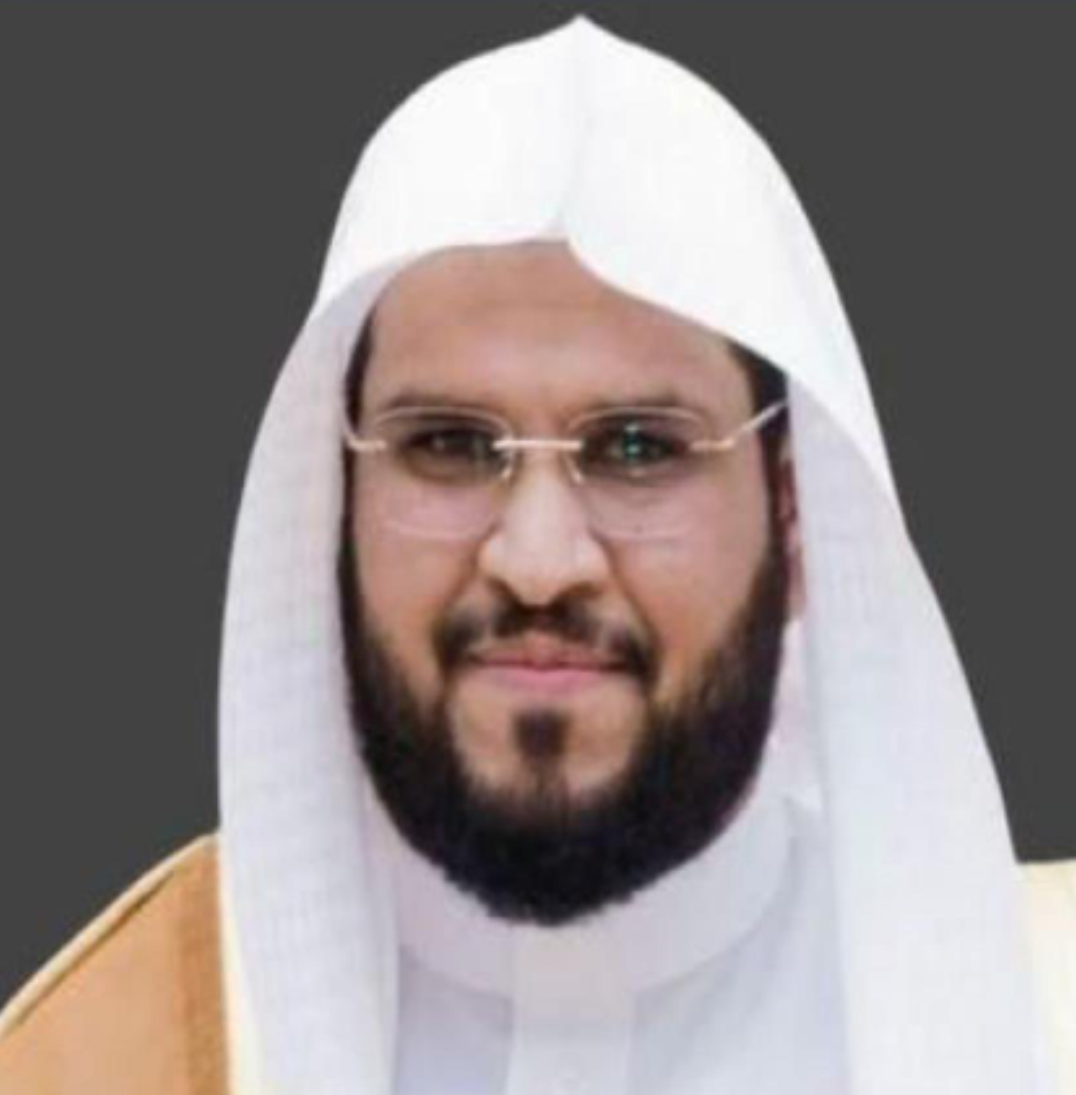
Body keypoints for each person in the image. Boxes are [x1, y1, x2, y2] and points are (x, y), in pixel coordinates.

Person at [1, 17, 1072, 1095]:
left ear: (795, 520)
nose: (539, 562)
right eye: (448, 445)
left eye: (639, 447)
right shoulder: (102, 1053)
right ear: (331, 504)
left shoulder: (1048, 1020)